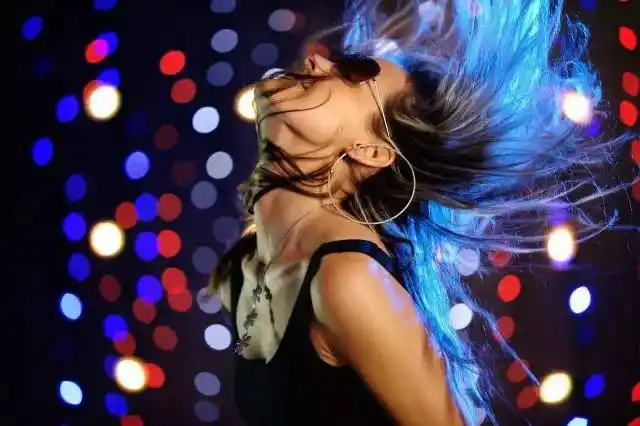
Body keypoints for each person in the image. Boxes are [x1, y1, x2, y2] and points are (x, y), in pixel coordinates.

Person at [207, 0, 633, 424]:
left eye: (352, 73)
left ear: (372, 152)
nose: (318, 61)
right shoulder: (242, 269)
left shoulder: (346, 280)